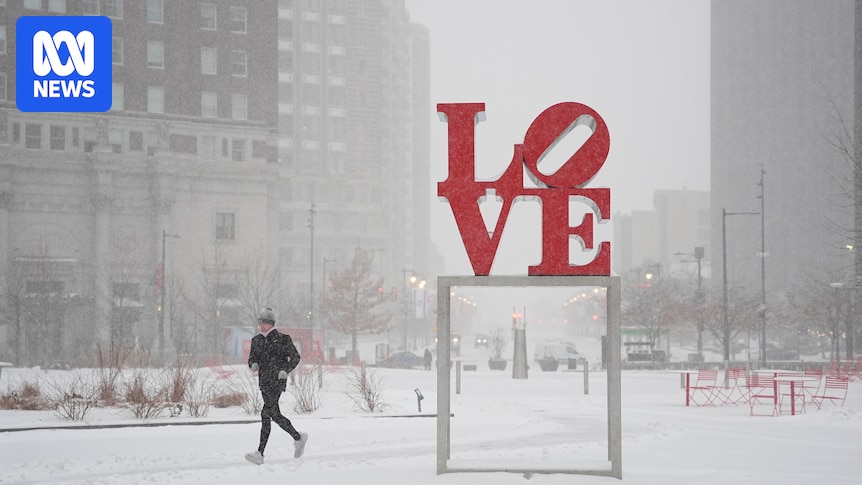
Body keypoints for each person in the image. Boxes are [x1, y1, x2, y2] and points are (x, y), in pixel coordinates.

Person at [244, 307, 308, 465]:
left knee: (267, 413)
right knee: (273, 414)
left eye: (264, 323)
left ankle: (260, 453)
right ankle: (298, 437)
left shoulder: (283, 339)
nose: (261, 326)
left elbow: (295, 357)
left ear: (271, 323)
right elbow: (252, 358)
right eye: (260, 322)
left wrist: (285, 370)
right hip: (264, 382)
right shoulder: (256, 340)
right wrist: (253, 364)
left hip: (277, 381)